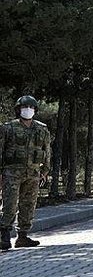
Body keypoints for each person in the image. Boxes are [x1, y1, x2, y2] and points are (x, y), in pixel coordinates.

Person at [0, 95, 51, 251]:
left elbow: (47, 151)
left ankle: (23, 236)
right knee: (9, 203)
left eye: (31, 108)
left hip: (33, 173)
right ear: (18, 110)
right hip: (12, 173)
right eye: (24, 107)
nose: (28, 110)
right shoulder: (8, 128)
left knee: (28, 204)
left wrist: (45, 170)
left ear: (35, 110)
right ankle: (4, 236)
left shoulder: (42, 129)